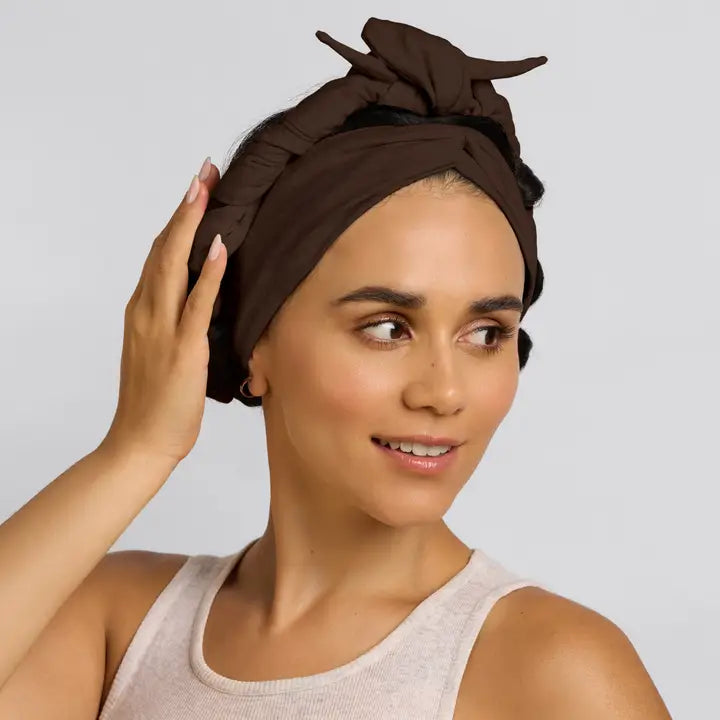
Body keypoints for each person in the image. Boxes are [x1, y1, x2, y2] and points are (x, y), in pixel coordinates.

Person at [0, 18, 673, 720]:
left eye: (486, 333)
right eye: (387, 327)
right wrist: (135, 451)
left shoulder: (554, 669)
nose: (444, 392)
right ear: (255, 343)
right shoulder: (116, 623)